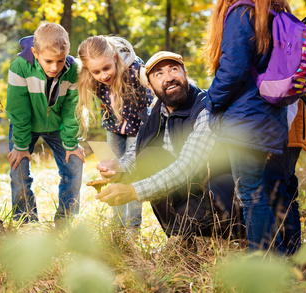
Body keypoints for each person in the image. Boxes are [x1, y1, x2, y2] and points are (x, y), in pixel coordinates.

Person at [95, 51, 240, 240]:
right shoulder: (155, 111)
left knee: (218, 187)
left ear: (185, 74)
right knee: (149, 156)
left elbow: (187, 167)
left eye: (174, 69)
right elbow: (136, 150)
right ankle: (181, 239)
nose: (169, 78)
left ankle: (201, 239)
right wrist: (119, 169)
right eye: (159, 74)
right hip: (187, 194)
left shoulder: (206, 108)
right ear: (150, 86)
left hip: (216, 194)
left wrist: (133, 191)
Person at [203, 0, 290, 251]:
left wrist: (211, 100)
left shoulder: (242, 9)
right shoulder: (271, 6)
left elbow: (234, 68)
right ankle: (280, 257)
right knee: (265, 190)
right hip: (270, 116)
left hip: (246, 118)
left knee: (251, 192)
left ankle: (263, 264)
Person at [6, 22, 85, 227]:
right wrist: (21, 147)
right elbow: (19, 110)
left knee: (74, 165)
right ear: (35, 52)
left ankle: (65, 222)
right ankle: (26, 221)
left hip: (58, 126)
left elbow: (72, 109)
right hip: (26, 126)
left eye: (60, 61)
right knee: (19, 171)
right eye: (48, 60)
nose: (54, 67)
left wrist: (70, 142)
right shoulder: (20, 67)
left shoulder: (74, 69)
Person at [76, 36, 153, 229]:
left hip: (138, 128)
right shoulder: (90, 77)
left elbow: (156, 82)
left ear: (116, 58)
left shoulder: (135, 70)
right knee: (112, 174)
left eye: (106, 68)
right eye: (96, 71)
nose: (103, 75)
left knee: (132, 174)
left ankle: (132, 229)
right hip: (113, 127)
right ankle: (117, 227)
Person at [264, 93, 306, 255]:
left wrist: (272, 134)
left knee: (277, 191)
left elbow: (287, 95)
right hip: (291, 128)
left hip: (286, 129)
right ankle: (294, 252)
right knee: (286, 190)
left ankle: (288, 253)